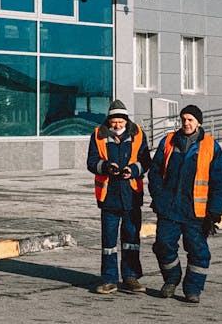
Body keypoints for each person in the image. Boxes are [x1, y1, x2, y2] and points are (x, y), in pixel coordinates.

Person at [148, 104, 222, 305]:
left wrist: (215, 211)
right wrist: (157, 196)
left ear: (199, 122)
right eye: (183, 119)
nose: (186, 123)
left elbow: (219, 182)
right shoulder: (168, 141)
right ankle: (172, 279)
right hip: (169, 208)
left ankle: (192, 288)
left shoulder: (211, 146)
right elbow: (155, 171)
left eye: (190, 119)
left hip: (196, 212)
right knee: (163, 245)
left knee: (198, 251)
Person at [86, 98, 151, 295]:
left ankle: (131, 277)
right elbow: (91, 162)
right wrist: (106, 167)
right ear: (109, 120)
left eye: (121, 121)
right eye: (114, 121)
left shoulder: (138, 134)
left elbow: (146, 160)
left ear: (126, 120)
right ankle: (109, 279)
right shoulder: (98, 135)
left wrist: (133, 169)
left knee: (131, 238)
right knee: (109, 242)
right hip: (109, 196)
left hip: (131, 195)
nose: (117, 124)